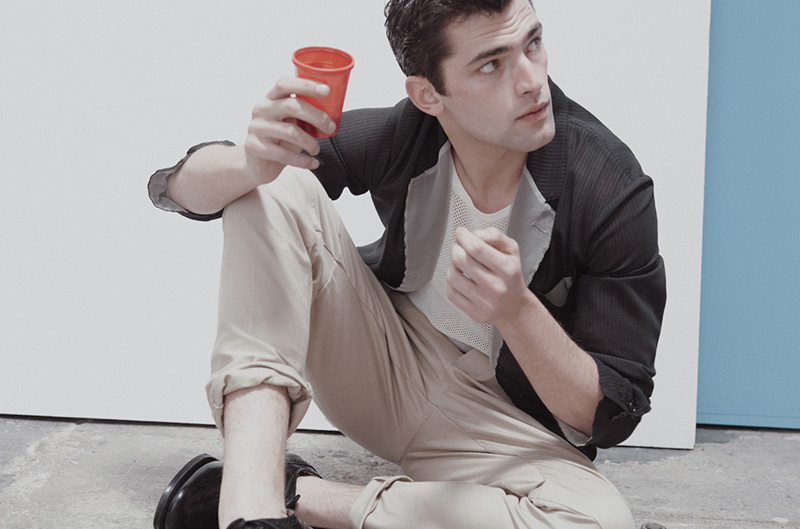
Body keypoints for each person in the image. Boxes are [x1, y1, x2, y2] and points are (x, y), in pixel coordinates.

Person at [148, 0, 667, 528]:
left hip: (503, 430)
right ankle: (250, 509)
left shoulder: (608, 185)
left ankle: (297, 495)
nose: (532, 81)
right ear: (428, 95)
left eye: (532, 43)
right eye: (492, 64)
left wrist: (516, 311)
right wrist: (248, 162)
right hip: (383, 367)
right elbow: (180, 188)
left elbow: (607, 414)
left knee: (599, 522)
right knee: (270, 183)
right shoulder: (408, 133)